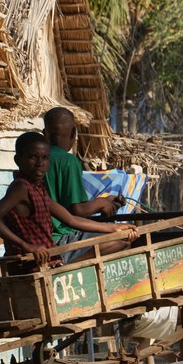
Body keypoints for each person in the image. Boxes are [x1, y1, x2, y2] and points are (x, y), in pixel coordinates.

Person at [0, 132, 137, 273]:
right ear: (18, 160)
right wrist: (26, 246)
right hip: (29, 263)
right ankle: (64, 270)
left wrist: (115, 228)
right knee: (120, 242)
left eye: (45, 158)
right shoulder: (21, 187)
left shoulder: (37, 188)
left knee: (119, 238)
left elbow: (70, 219)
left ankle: (64, 268)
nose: (40, 164)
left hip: (45, 258)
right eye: (33, 157)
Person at [42, 107, 127, 261]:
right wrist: (101, 203)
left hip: (42, 238)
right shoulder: (68, 161)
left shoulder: (36, 159)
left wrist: (106, 201)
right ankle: (69, 265)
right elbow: (77, 211)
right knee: (123, 240)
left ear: (44, 133)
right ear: (74, 134)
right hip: (60, 236)